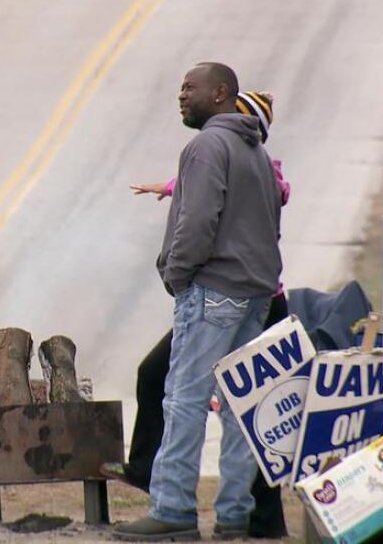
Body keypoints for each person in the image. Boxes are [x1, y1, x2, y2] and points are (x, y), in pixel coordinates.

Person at [104, 91, 289, 539]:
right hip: (257, 293)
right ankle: (233, 517)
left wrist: (177, 273)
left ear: (221, 95)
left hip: (214, 291)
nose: (181, 94)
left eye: (190, 87)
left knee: (184, 400)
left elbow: (199, 216)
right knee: (240, 407)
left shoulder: (207, 146)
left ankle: (173, 511)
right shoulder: (261, 159)